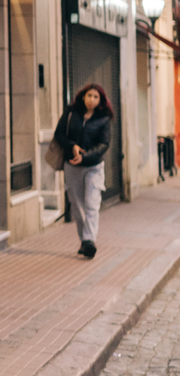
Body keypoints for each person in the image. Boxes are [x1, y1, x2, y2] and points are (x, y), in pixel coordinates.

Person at [53, 82, 113, 259]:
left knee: (92, 204)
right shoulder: (71, 113)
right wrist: (72, 146)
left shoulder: (104, 118)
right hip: (71, 166)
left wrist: (85, 156)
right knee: (77, 206)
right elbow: (59, 134)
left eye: (96, 97)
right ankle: (84, 241)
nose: (92, 100)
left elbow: (104, 144)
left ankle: (89, 241)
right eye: (89, 96)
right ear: (83, 96)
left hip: (93, 167)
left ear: (100, 100)